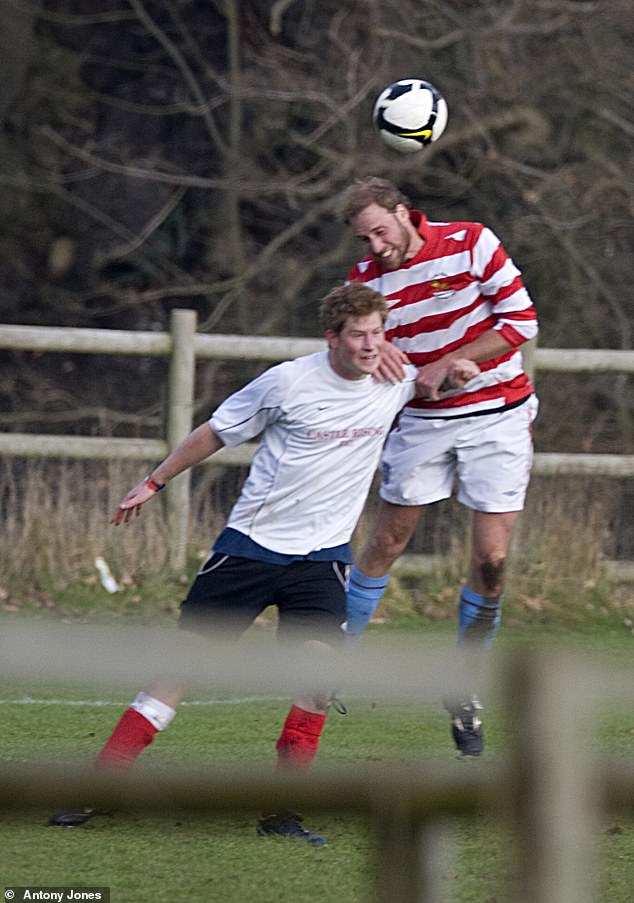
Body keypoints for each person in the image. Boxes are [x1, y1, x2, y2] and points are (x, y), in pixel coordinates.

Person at [49, 281, 480, 842]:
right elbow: (214, 433)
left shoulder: (394, 379)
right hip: (249, 549)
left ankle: (281, 813)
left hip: (321, 559)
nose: (372, 346)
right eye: (358, 336)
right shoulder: (287, 382)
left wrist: (457, 370)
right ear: (332, 338)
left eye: (378, 333)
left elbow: (438, 378)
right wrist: (153, 482)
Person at [339, 177, 539, 757]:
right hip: (422, 422)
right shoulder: (366, 280)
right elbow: (361, 347)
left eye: (381, 230)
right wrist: (382, 357)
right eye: (363, 237)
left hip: (499, 413)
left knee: (493, 560)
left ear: (405, 214)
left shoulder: (472, 242)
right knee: (387, 540)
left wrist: (458, 359)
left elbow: (521, 322)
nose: (375, 245)